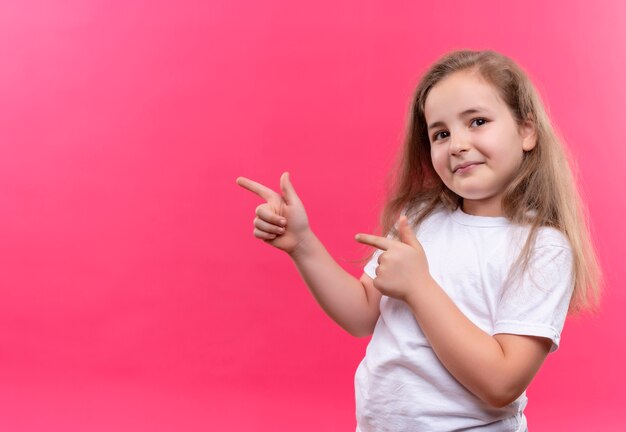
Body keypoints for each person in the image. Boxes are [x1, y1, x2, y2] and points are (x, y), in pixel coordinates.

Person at [236, 49, 602, 432]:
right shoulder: (423, 217)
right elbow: (362, 314)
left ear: (526, 131)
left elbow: (502, 383)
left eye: (477, 121)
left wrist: (419, 287)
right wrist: (302, 243)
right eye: (440, 134)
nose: (457, 144)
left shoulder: (541, 247)